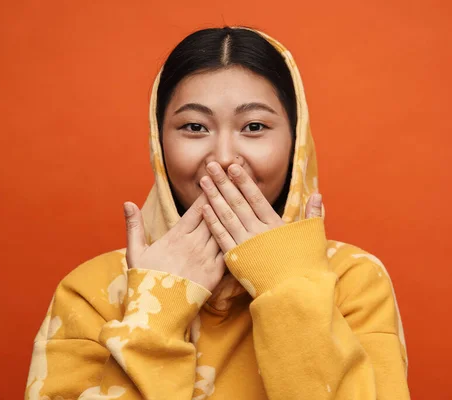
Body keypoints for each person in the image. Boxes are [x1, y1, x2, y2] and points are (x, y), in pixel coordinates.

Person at [25, 27, 410, 400]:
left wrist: (289, 287)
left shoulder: (352, 279)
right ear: (159, 143)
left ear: (296, 141)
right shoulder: (92, 290)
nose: (224, 158)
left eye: (254, 126)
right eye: (194, 127)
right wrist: (156, 310)